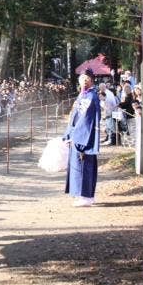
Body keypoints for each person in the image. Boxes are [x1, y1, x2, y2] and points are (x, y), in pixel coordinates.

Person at [63, 68, 101, 207]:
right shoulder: (82, 95)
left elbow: (86, 119)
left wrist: (75, 135)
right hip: (76, 135)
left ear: (91, 80)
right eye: (81, 78)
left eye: (86, 78)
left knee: (84, 165)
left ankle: (86, 195)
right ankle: (82, 194)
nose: (83, 81)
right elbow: (74, 116)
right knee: (77, 166)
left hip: (84, 137)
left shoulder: (91, 97)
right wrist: (68, 133)